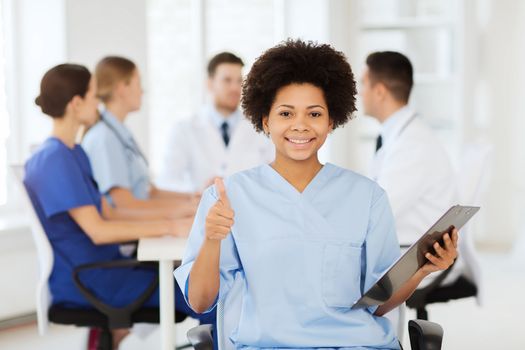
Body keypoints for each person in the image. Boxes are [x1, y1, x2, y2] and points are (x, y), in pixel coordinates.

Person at [174, 40, 458, 349]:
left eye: (314, 114)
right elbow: (200, 303)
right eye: (285, 113)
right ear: (265, 121)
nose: (300, 126)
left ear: (331, 120)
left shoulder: (367, 197)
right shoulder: (228, 197)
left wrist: (421, 271)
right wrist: (212, 240)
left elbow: (378, 303)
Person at [24, 64, 213, 349]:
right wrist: (172, 226)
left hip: (106, 270)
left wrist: (181, 215)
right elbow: (98, 231)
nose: (97, 103)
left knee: (206, 282)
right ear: (76, 104)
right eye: (91, 96)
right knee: (209, 294)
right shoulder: (54, 159)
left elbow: (110, 212)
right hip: (94, 279)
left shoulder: (73, 152)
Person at [360, 51, 462, 284]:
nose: (360, 93)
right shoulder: (400, 135)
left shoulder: (412, 145)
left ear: (379, 91)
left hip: (417, 257)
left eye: (363, 84)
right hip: (405, 247)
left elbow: (379, 214)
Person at [82, 56, 197, 218]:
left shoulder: (119, 133)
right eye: (138, 83)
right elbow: (124, 205)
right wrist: (185, 210)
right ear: (122, 88)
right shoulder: (104, 138)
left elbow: (147, 192)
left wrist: (192, 199)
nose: (142, 91)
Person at [156, 52, 274, 193]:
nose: (235, 88)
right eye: (227, 80)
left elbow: (274, 175)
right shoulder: (184, 129)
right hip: (201, 210)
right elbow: (167, 181)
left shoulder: (260, 127)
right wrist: (199, 190)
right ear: (210, 84)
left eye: (239, 81)